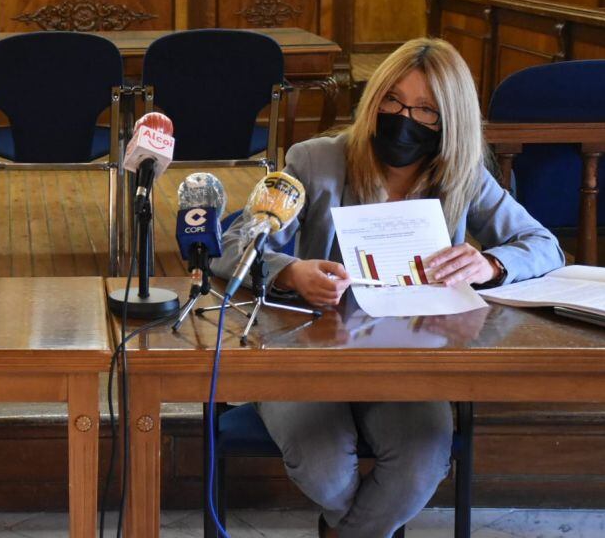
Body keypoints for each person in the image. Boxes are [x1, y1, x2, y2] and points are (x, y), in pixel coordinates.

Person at [211, 37, 563, 538]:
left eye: (426, 110)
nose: (404, 118)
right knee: (323, 466)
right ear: (374, 99)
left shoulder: (465, 176)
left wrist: (489, 262)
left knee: (421, 462)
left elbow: (542, 242)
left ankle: (342, 532)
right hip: (308, 352)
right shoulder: (314, 161)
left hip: (410, 356)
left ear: (451, 121)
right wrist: (291, 271)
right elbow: (234, 245)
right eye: (393, 102)